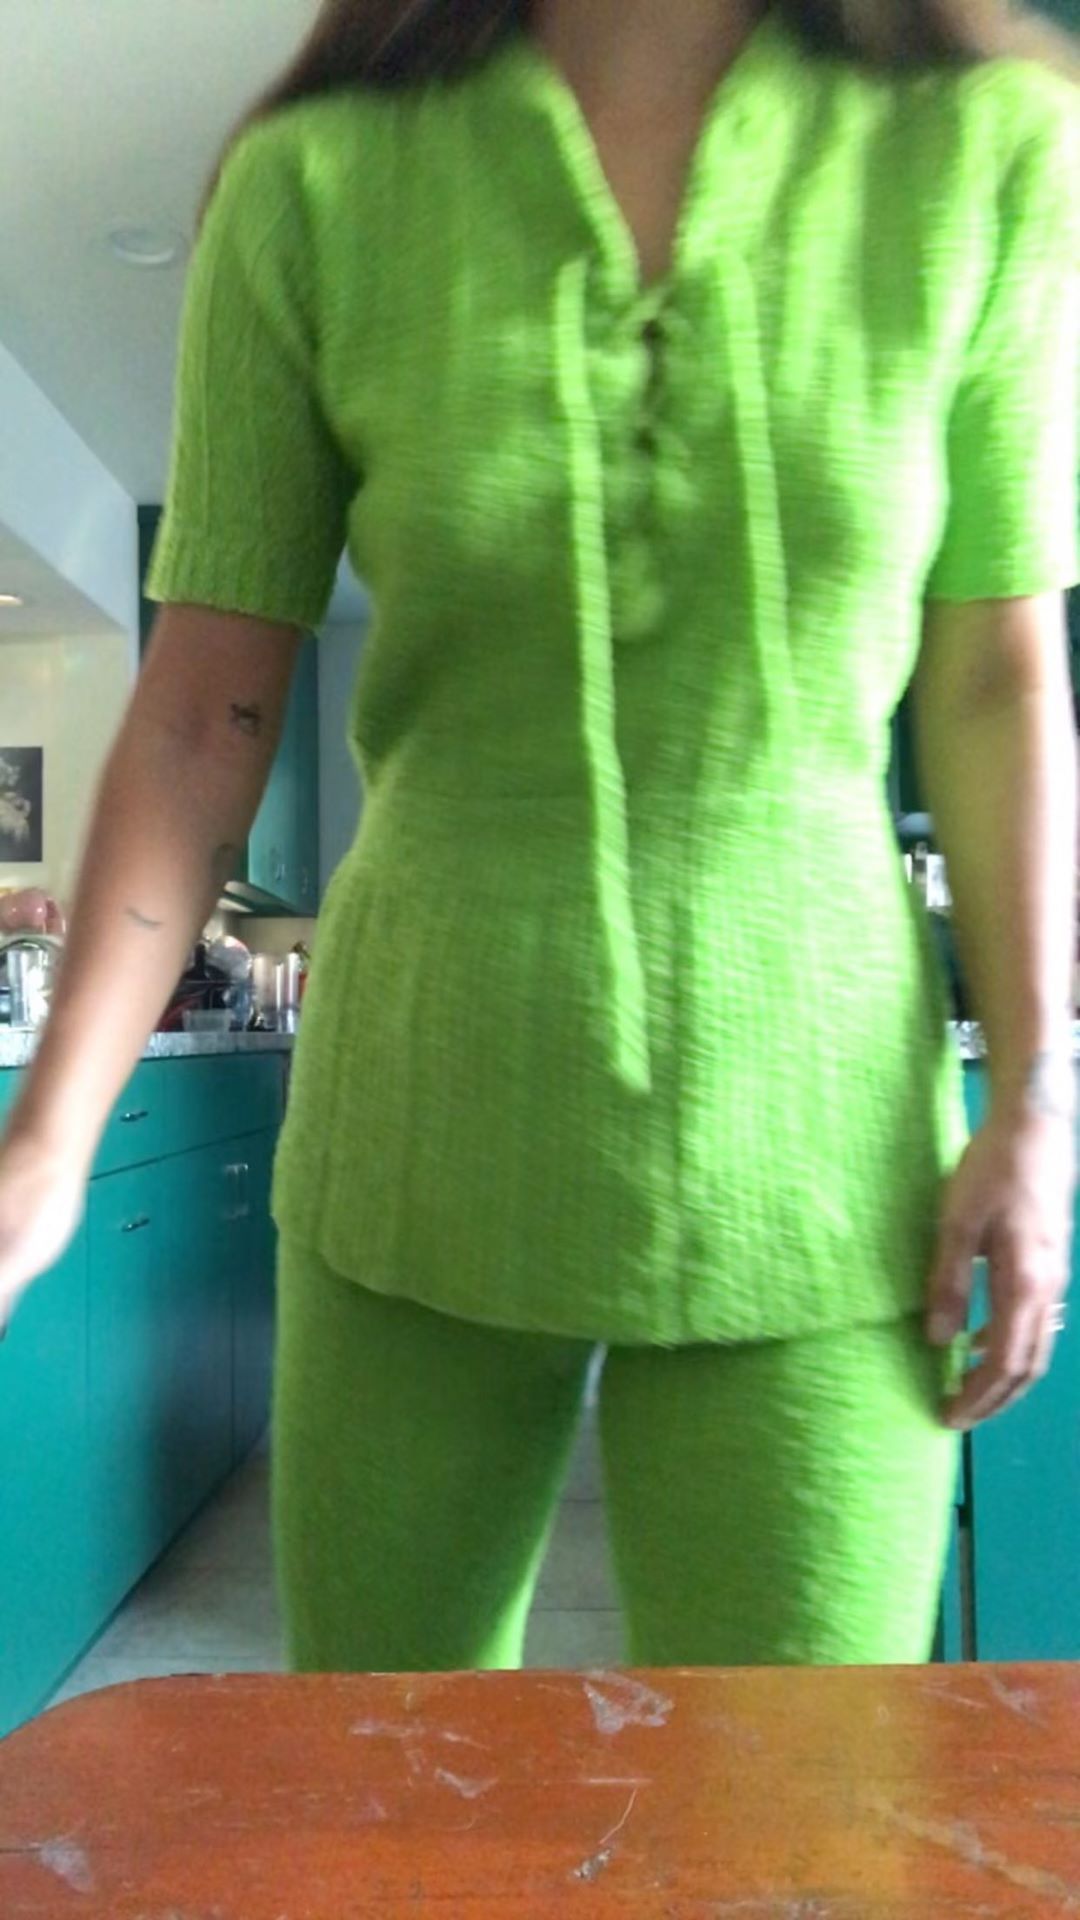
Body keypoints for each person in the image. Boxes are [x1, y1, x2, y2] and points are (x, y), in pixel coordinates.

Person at [0, 0, 1076, 1672]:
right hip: (415, 1132)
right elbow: (207, 703)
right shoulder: (318, 182)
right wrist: (49, 1144)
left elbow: (999, 676)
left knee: (797, 1801)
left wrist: (1033, 1098)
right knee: (391, 1779)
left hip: (820, 1150)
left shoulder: (987, 155)